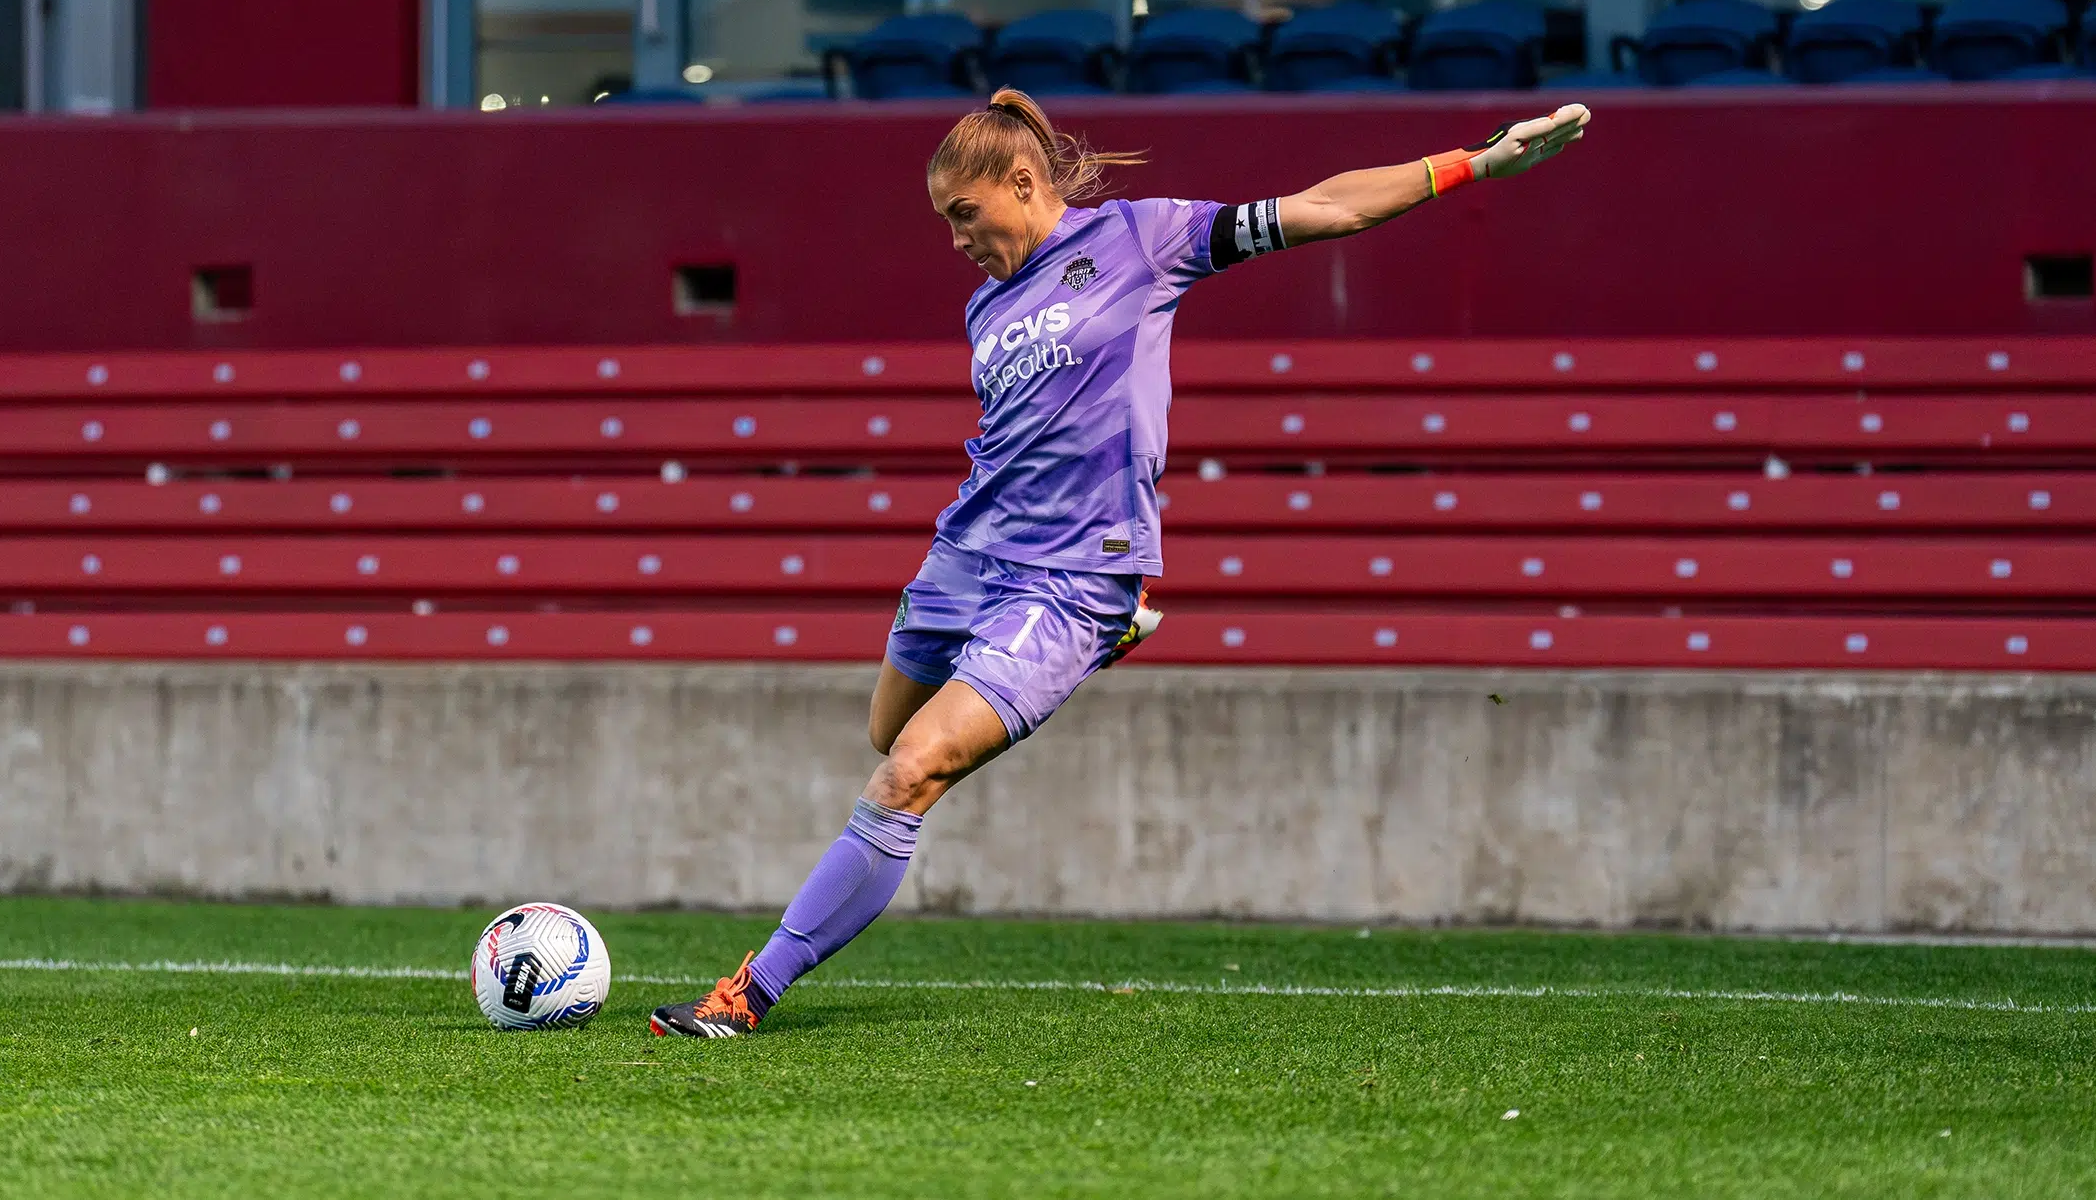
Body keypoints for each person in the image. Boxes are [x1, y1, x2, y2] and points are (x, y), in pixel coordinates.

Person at [649, 88, 1590, 1037]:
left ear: (1022, 182)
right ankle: (1101, 639)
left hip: (1070, 577)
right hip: (964, 553)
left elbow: (1326, 206)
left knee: (908, 777)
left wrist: (1474, 161)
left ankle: (749, 993)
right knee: (887, 733)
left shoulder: (1145, 241)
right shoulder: (986, 305)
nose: (956, 240)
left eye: (963, 214)